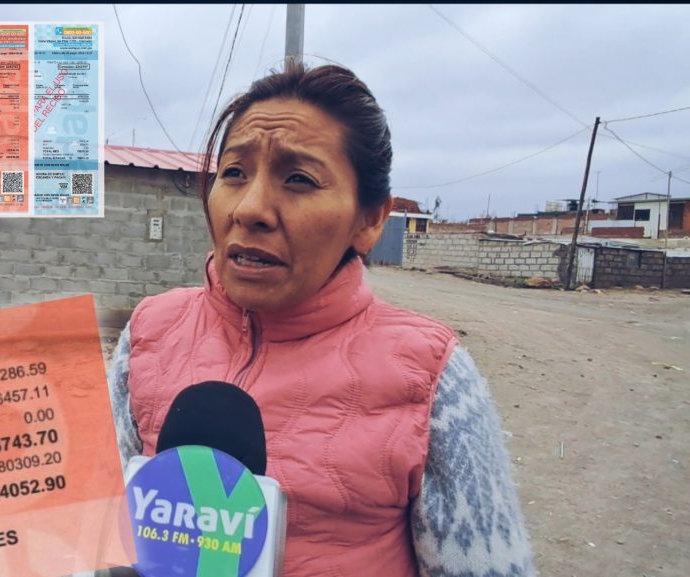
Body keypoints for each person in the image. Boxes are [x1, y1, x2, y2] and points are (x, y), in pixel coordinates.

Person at [106, 62, 536, 577]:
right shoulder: (149, 330)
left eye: (299, 179)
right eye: (234, 172)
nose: (250, 208)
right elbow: (93, 526)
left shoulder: (431, 376)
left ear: (370, 219)